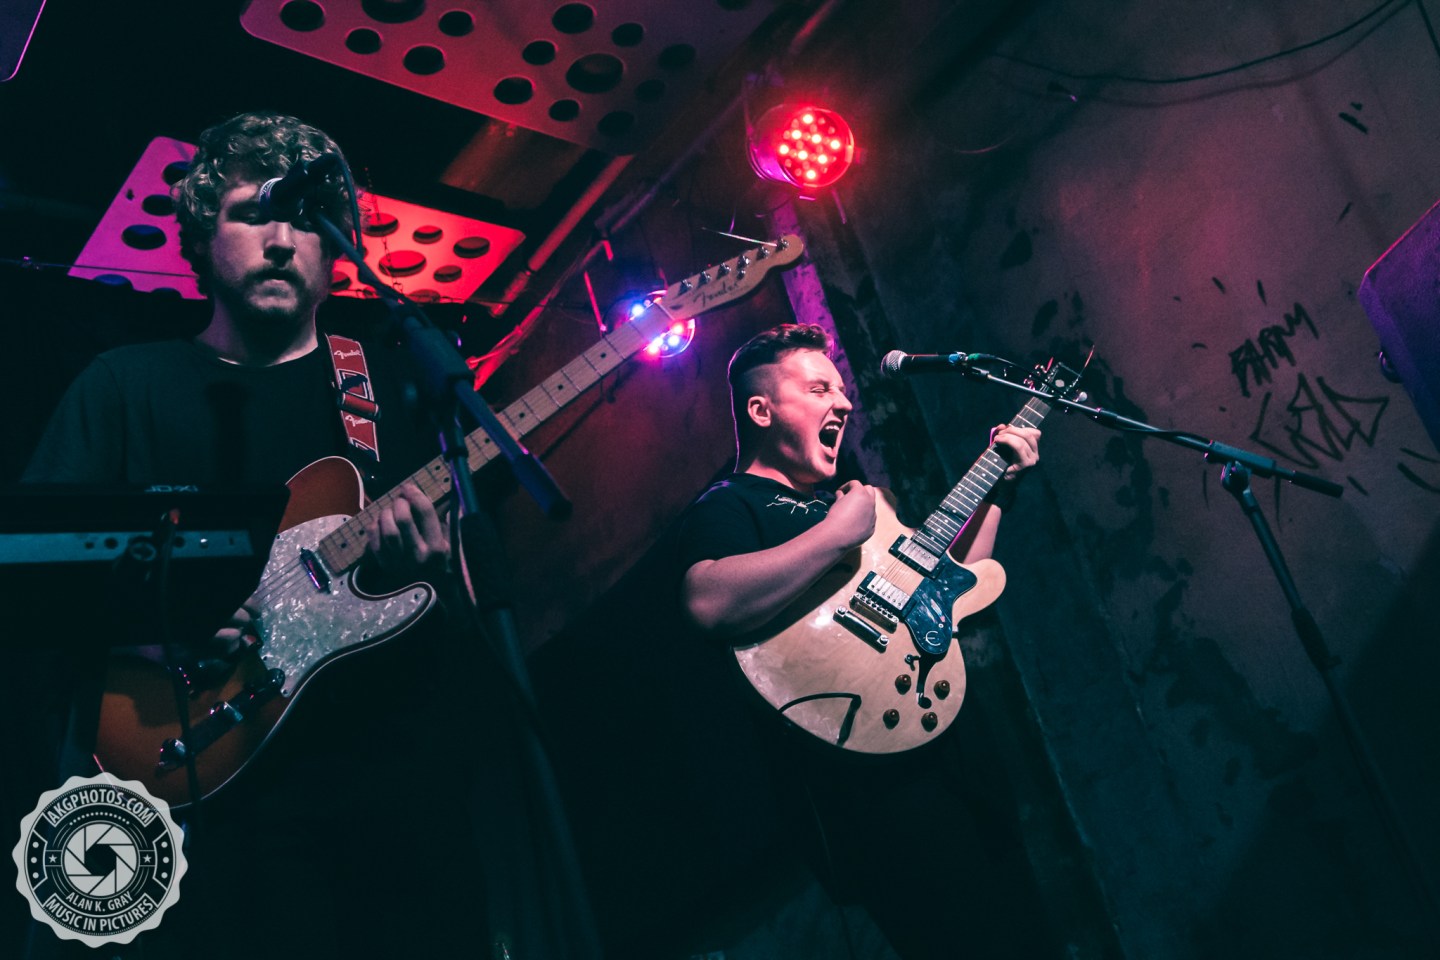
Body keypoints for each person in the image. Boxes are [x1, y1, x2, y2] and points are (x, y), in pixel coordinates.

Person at [15, 111, 493, 958]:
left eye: (307, 220)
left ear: (336, 250)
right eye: (252, 214)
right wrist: (148, 628)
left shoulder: (387, 386)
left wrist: (439, 576)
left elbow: (469, 600)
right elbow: (28, 575)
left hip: (380, 810)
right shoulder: (123, 386)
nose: (281, 241)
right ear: (200, 240)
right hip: (192, 817)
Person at [672, 322, 1042, 958]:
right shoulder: (730, 504)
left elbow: (954, 585)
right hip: (874, 792)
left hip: (958, 756)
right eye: (819, 389)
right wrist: (838, 532)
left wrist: (1000, 487)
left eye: (842, 389)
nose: (843, 403)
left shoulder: (865, 505)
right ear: (761, 410)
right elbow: (707, 601)